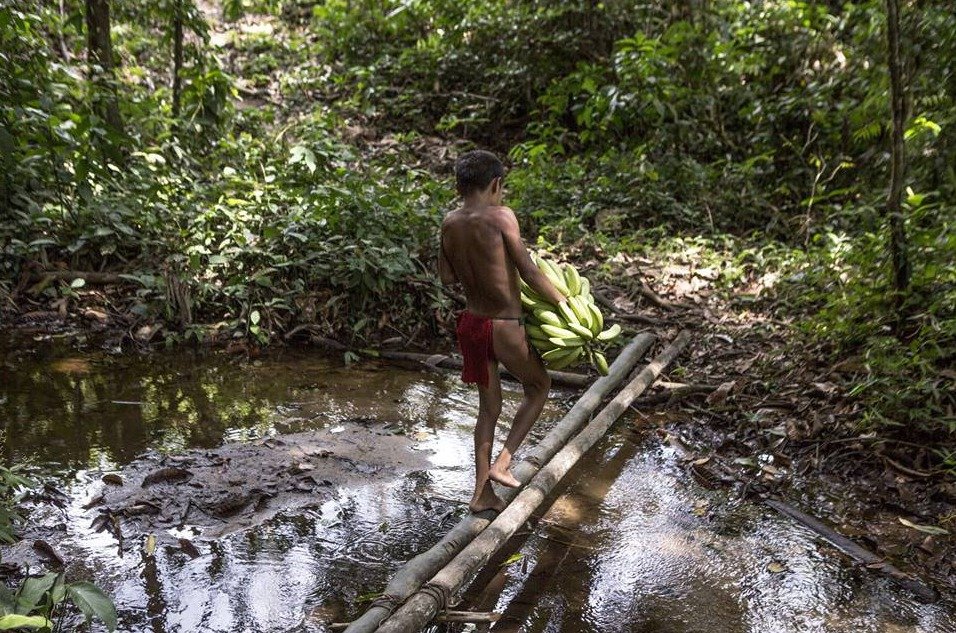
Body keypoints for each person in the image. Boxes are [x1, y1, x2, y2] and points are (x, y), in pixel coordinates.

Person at [439, 150, 567, 513]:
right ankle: (503, 463)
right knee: (539, 386)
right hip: (505, 326)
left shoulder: (450, 222)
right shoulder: (501, 216)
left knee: (488, 410)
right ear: (496, 184)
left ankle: (481, 496)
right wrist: (564, 304)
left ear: (459, 185)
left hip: (472, 325)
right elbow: (528, 270)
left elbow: (447, 276)